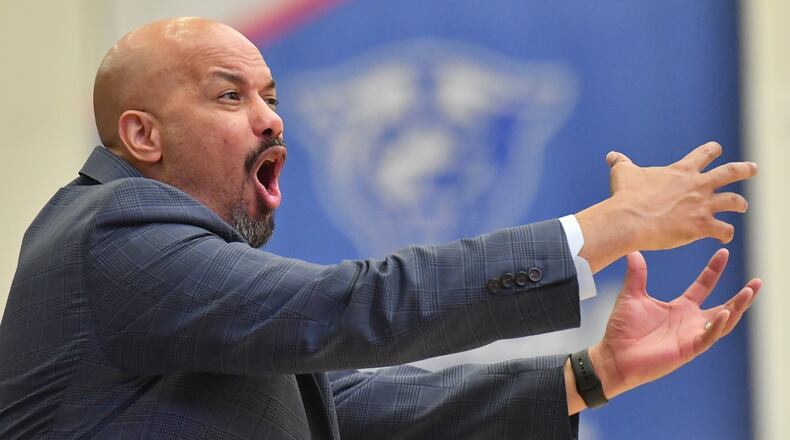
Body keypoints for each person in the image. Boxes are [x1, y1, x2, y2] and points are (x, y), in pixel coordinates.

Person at [0, 17, 761, 440]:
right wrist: (603, 229)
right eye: (230, 97)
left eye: (271, 96)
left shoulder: (179, 293)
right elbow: (353, 307)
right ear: (142, 135)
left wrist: (594, 374)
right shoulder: (115, 231)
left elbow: (350, 408)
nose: (271, 119)